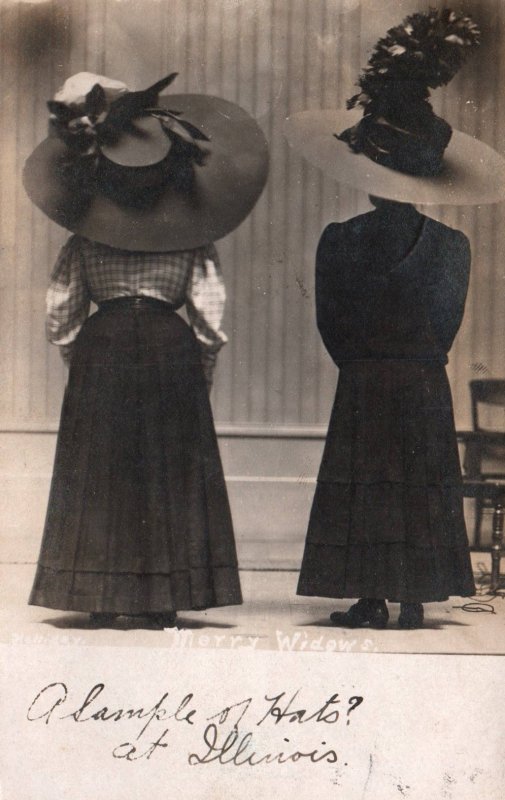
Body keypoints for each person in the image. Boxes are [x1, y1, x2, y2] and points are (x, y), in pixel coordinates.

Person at [284, 9, 505, 629]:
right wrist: (414, 360)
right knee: (419, 481)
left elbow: (332, 323)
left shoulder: (340, 239)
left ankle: (371, 597)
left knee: (368, 486)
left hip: (363, 380)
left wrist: (365, 364)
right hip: (422, 380)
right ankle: (415, 597)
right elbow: (447, 323)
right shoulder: (453, 247)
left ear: (368, 175)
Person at [23, 71, 269, 628]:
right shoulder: (193, 238)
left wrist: (82, 360)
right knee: (168, 469)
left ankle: (99, 595)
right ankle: (162, 598)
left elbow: (61, 314)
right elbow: (208, 320)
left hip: (101, 348)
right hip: (169, 349)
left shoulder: (84, 238)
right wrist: (199, 372)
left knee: (101, 469)